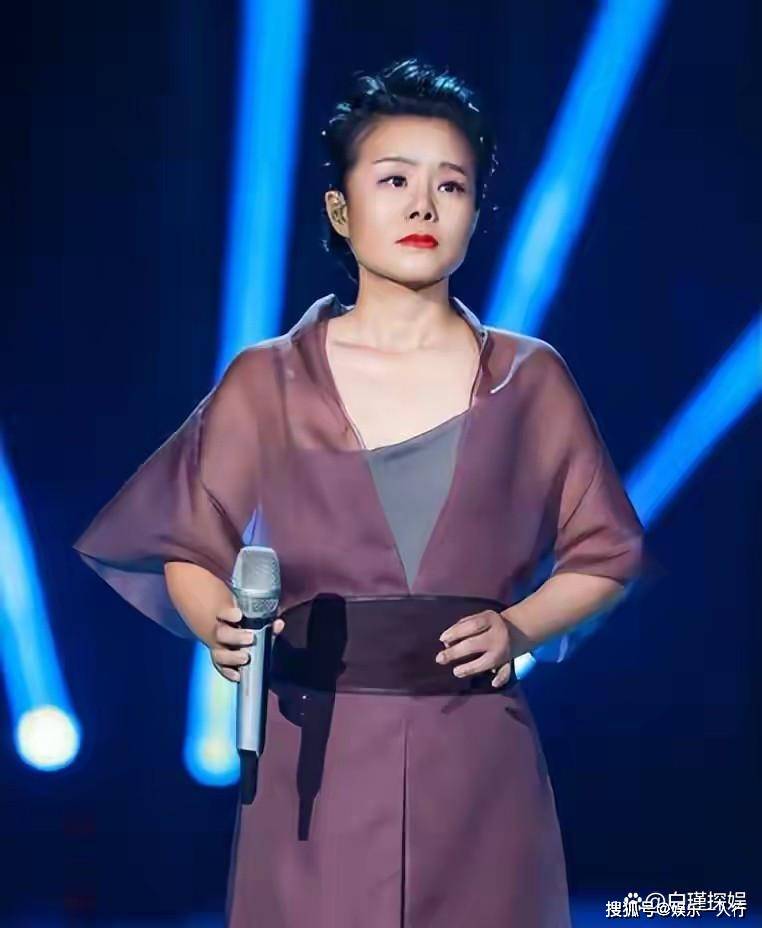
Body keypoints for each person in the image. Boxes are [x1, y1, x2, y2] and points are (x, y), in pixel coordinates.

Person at [73, 57, 646, 927]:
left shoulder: (530, 379)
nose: (423, 207)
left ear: (475, 213)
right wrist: (217, 623)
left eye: (450, 186)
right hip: (311, 748)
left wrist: (521, 626)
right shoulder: (268, 378)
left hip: (476, 755)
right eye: (394, 180)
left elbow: (607, 552)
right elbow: (188, 540)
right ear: (341, 210)